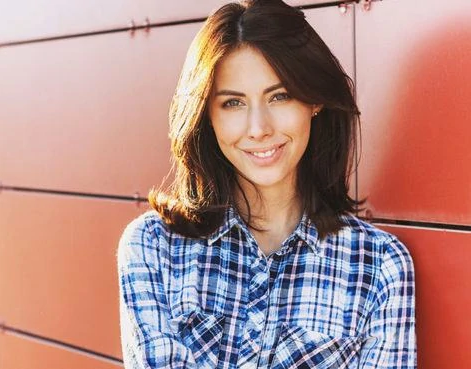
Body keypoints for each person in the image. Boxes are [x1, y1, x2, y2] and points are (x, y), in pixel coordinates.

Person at [117, 0, 416, 368]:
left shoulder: (380, 266)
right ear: (206, 116)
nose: (259, 128)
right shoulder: (154, 248)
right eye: (233, 103)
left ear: (314, 101)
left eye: (280, 96)